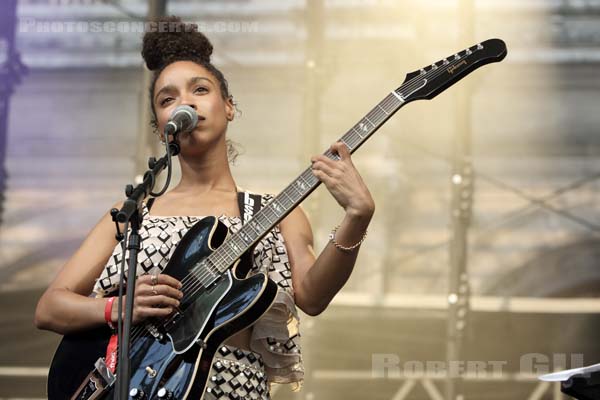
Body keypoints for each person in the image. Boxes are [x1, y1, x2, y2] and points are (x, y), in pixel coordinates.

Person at [34, 16, 375, 399]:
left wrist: (356, 218)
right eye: (168, 99)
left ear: (228, 106)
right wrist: (118, 308)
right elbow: (50, 307)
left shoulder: (277, 212)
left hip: (232, 387)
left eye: (200, 89)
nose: (185, 103)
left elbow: (312, 296)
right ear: (160, 124)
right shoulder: (133, 212)